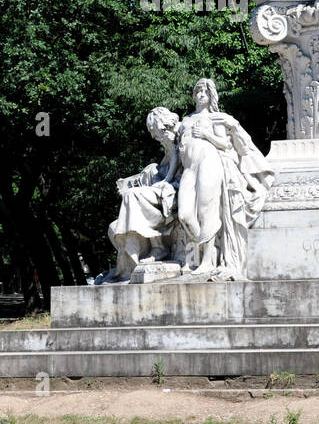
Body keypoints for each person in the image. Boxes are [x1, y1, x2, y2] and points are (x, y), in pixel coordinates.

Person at [175, 78, 274, 275]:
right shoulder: (185, 121)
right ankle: (202, 250)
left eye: (205, 91)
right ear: (193, 95)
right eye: (198, 91)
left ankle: (207, 261)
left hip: (209, 163)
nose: (201, 94)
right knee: (185, 214)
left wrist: (206, 135)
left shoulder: (217, 118)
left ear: (211, 95)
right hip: (189, 168)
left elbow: (226, 144)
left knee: (206, 211)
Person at [99, 107, 182, 282]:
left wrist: (164, 181)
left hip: (176, 188)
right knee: (130, 196)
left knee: (132, 196)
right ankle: (143, 253)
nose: (153, 136)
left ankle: (158, 248)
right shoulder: (168, 142)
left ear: (162, 124)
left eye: (154, 130)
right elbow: (165, 165)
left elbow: (176, 162)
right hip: (165, 186)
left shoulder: (179, 135)